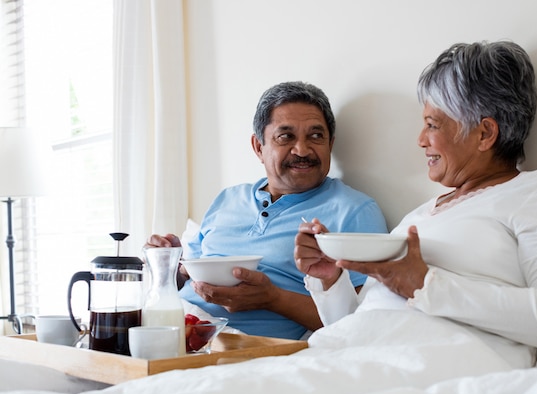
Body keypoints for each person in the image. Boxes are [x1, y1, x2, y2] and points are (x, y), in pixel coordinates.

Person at [294, 41, 537, 368]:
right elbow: (361, 320)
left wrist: (427, 285)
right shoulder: (420, 216)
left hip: (421, 364)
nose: (420, 139)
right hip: (347, 353)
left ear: (484, 134)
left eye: (433, 124)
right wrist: (329, 279)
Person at [145, 81, 388, 340]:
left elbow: (362, 322)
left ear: (331, 144)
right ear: (258, 147)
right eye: (286, 137)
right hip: (174, 329)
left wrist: (273, 299)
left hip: (246, 350)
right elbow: (186, 276)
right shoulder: (228, 199)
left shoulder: (354, 211)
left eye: (316, 136)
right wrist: (165, 261)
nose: (303, 150)